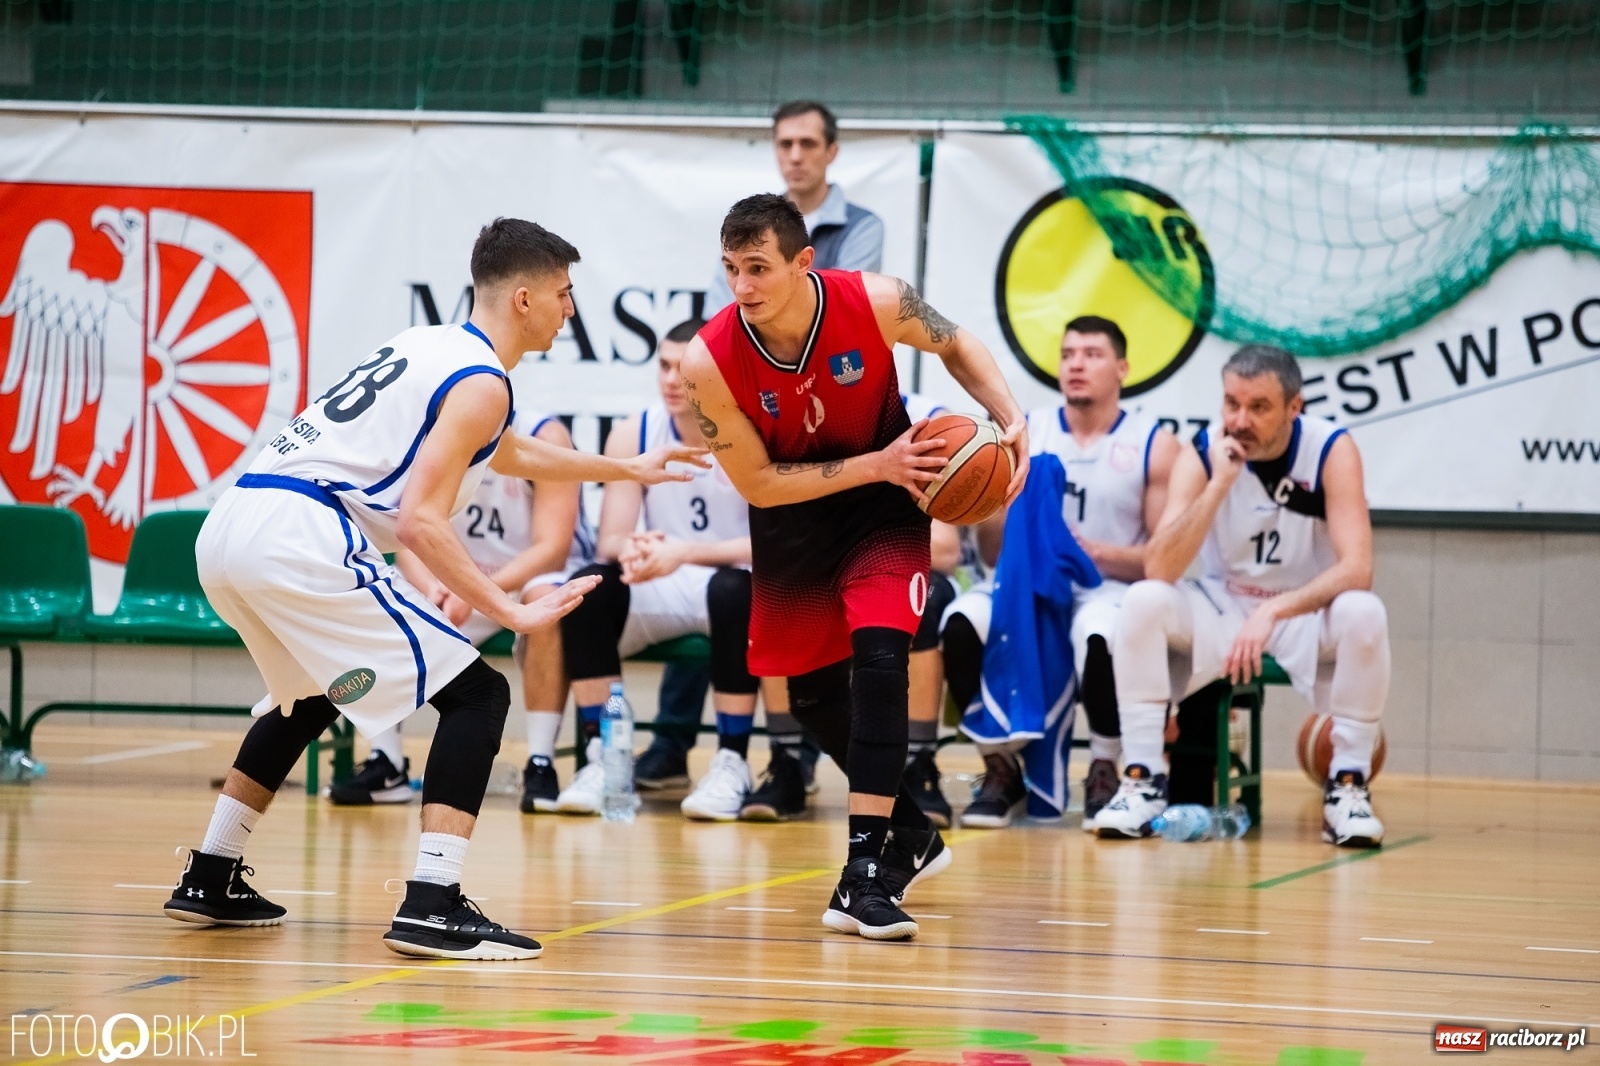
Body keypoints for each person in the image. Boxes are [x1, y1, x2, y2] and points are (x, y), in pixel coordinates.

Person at [163, 218, 703, 960]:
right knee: (478, 695)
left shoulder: (431, 347)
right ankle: (432, 901)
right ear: (523, 298)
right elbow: (419, 520)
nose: (570, 309)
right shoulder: (481, 379)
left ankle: (211, 872)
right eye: (563, 293)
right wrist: (509, 608)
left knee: (312, 694)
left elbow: (506, 449)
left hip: (232, 526)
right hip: (299, 534)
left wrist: (628, 469)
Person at [682, 193, 1027, 940]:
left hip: (888, 508)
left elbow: (957, 342)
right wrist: (874, 462)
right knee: (810, 699)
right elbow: (758, 484)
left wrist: (1011, 415)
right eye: (732, 269)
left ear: (805, 263)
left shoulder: (876, 301)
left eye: (759, 268)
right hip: (795, 518)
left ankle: (861, 877)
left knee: (879, 660)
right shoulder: (706, 359)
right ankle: (912, 829)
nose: (743, 286)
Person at [1101, 345, 1389, 847]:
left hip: (1302, 609)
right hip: (1225, 603)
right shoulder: (1204, 450)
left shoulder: (1331, 449)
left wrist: (1276, 609)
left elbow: (1357, 568)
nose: (1240, 420)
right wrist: (1219, 483)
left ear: (1293, 408)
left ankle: (1347, 786)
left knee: (1365, 611)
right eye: (1231, 403)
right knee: (1144, 600)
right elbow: (1160, 565)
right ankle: (1143, 778)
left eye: (1258, 407)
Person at [941, 316, 1179, 829]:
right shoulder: (1023, 431)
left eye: (1092, 354)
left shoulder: (1152, 443)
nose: (1076, 363)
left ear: (1122, 367)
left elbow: (1162, 560)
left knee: (1096, 634)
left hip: (1107, 588)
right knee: (959, 623)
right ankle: (999, 766)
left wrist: (1079, 550)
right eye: (1069, 353)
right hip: (1022, 585)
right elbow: (991, 551)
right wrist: (985, 503)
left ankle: (1104, 766)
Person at [327, 408, 594, 813]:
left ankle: (541, 762)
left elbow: (552, 547)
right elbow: (406, 531)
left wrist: (476, 591)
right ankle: (388, 762)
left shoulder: (545, 435)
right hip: (454, 578)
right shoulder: (434, 432)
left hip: (523, 578)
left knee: (546, 603)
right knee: (374, 602)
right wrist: (435, 586)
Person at [555, 318, 761, 822]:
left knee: (738, 591)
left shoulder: (755, 430)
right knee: (588, 589)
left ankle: (732, 762)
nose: (670, 379)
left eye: (683, 369)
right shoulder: (636, 430)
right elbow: (611, 538)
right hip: (665, 579)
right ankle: (604, 758)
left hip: (731, 581)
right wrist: (636, 549)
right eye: (663, 366)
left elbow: (771, 545)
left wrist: (684, 552)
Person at [705, 100, 884, 317]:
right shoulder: (747, 222)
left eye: (808, 144)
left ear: (832, 152)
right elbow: (719, 316)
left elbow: (840, 310)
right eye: (786, 144)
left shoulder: (862, 226)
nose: (796, 157)